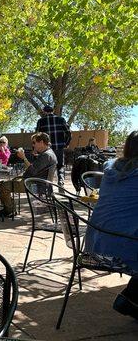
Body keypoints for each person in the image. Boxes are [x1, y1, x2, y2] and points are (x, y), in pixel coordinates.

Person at [84, 131, 138, 320]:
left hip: (94, 248)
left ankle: (130, 297)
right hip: (120, 252)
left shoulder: (110, 167)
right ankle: (130, 298)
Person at [0, 132, 57, 217]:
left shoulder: (46, 155)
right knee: (4, 184)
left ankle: (10, 210)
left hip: (33, 184)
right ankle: (10, 209)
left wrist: (24, 158)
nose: (33, 145)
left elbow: (32, 171)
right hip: (38, 182)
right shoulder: (49, 153)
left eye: (34, 143)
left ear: (42, 142)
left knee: (1, 187)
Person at [35, 105, 71, 186]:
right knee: (60, 165)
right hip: (59, 147)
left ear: (44, 111)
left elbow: (37, 136)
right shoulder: (61, 119)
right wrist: (66, 143)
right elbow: (69, 133)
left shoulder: (41, 121)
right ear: (53, 110)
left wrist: (36, 149)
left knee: (46, 167)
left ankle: (46, 184)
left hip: (46, 149)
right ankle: (61, 181)